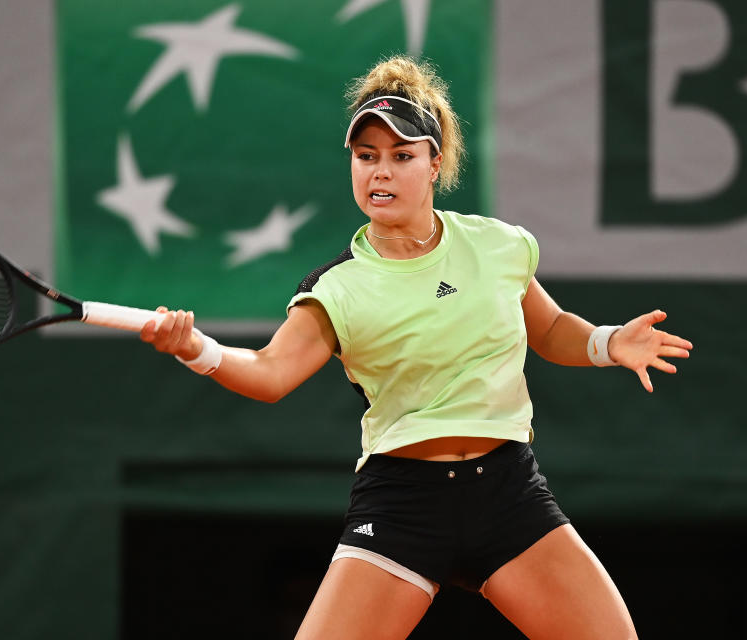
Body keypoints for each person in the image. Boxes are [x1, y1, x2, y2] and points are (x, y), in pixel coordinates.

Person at [139, 55, 692, 639]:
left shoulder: (495, 247)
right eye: (366, 157)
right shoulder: (337, 287)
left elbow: (550, 330)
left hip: (508, 495)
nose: (382, 172)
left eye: (402, 157)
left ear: (435, 164)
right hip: (403, 503)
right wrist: (195, 348)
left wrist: (607, 342)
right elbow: (269, 373)